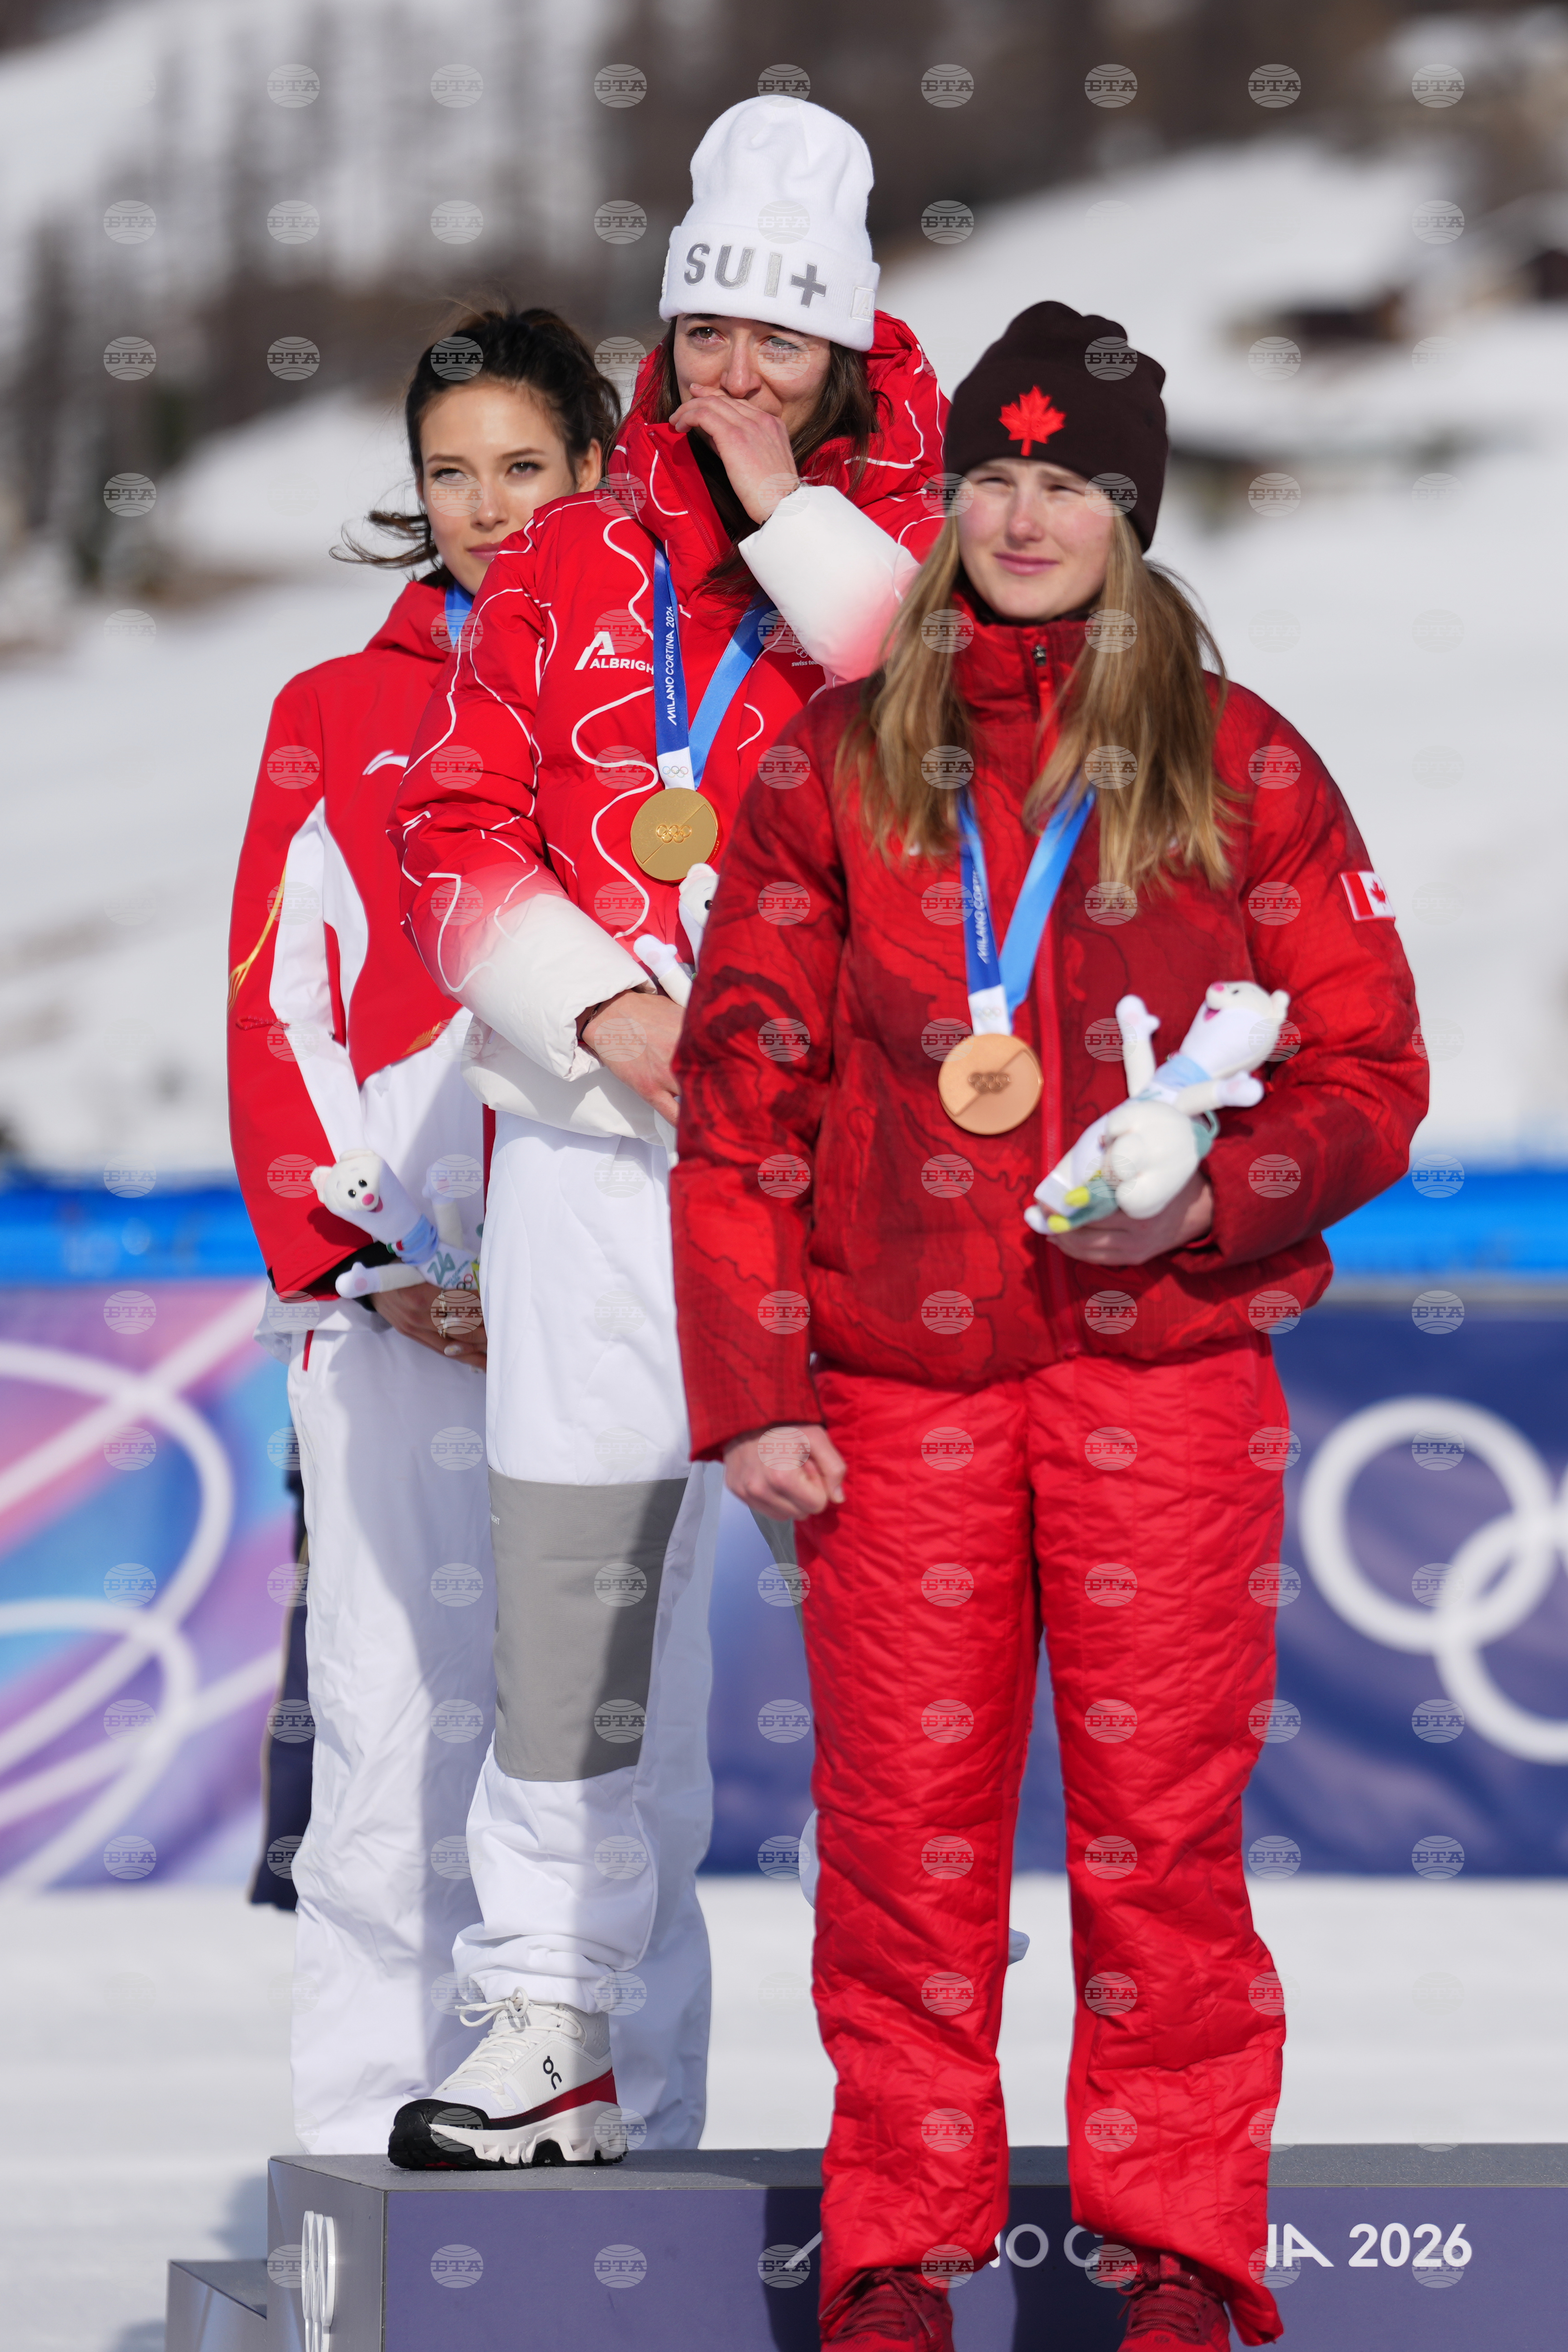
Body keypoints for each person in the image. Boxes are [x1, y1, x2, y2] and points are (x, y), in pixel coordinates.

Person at [669, 300, 1427, 2349]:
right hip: (893, 1391)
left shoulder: (1240, 756)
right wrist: (751, 1386)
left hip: (1162, 1375)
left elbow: (1367, 1071)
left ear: (1130, 511)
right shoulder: (840, 757)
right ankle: (893, 2257)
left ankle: (1175, 2254)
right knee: (900, 1855)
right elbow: (742, 1099)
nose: (1022, 517)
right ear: (947, 503)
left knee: (1158, 1844)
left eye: (1069, 482)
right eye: (992, 477)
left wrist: (1219, 1193)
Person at [388, 94, 947, 2167]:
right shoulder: (558, 560)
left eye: (776, 339)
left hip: (846, 1177)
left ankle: (922, 2055)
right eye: (704, 330)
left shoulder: (943, 550)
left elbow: (943, 717)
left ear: (842, 351)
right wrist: (606, 1008)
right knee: (573, 1615)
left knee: (896, 1630)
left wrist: (781, 503)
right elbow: (454, 835)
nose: (730, 371)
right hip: (595, 1157)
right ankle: (550, 2019)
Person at [228, 307, 616, 2151]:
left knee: (612, 1749)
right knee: (388, 1734)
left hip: (614, 1284)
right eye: (449, 471)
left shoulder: (670, 695)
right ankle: (358, 2176)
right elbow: (274, 1004)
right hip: (392, 1302)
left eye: (523, 465)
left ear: (596, 469)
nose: (485, 504)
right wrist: (372, 1260)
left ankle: (627, 2139)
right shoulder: (335, 710)